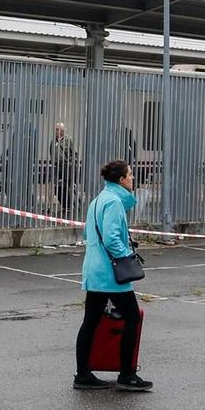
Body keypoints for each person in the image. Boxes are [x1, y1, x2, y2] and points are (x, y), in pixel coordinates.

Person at [76, 159, 151, 392]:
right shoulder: (115, 202)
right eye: (130, 175)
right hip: (111, 273)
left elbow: (92, 234)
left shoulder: (98, 200)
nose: (132, 178)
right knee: (132, 317)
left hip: (95, 270)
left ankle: (83, 374)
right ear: (121, 180)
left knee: (90, 321)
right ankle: (127, 374)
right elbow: (111, 238)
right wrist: (127, 255)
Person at [48, 122, 80, 216]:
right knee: (57, 187)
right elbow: (52, 153)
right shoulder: (53, 141)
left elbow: (74, 154)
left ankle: (70, 205)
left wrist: (71, 164)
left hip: (67, 166)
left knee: (67, 187)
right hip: (57, 167)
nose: (57, 131)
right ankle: (64, 205)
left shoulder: (68, 140)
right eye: (56, 129)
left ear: (62, 131)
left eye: (59, 129)